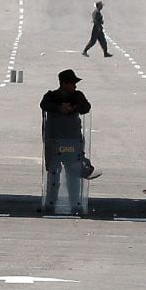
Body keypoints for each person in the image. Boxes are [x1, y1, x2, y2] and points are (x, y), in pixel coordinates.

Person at [40, 69, 98, 215]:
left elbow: (86, 107)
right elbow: (44, 105)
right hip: (54, 140)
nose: (75, 86)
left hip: (73, 140)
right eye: (72, 83)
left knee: (73, 174)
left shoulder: (77, 96)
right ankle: (50, 204)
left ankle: (76, 205)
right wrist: (59, 108)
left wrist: (73, 108)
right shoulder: (51, 96)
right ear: (64, 84)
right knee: (53, 173)